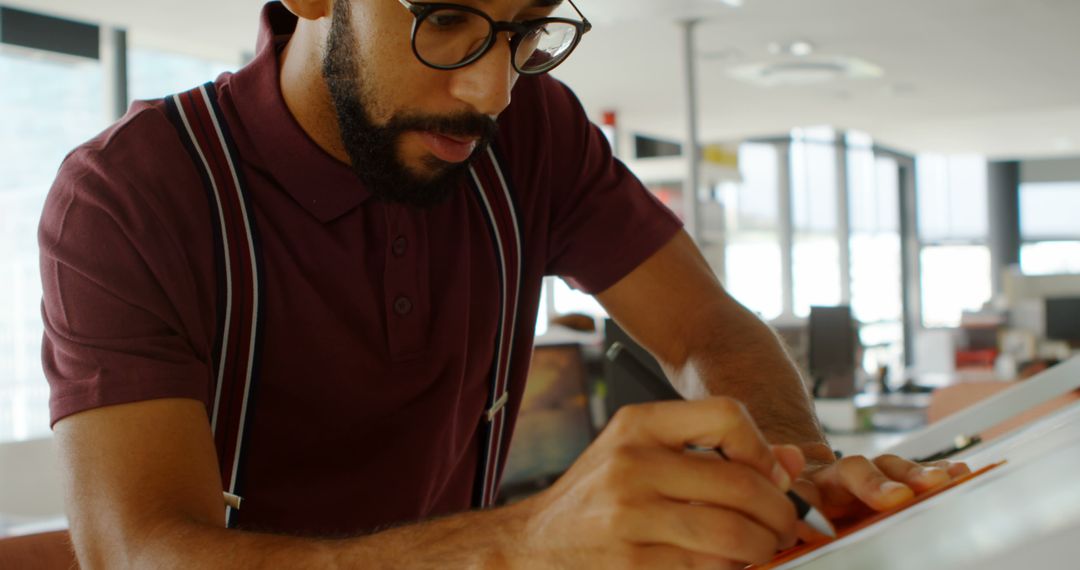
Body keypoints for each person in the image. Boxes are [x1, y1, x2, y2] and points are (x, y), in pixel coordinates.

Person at [39, 0, 968, 567]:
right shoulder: (130, 194)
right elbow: (139, 553)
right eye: (444, 19)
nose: (491, 88)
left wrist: (796, 476)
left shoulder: (535, 135)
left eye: (525, 30)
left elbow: (706, 331)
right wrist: (520, 547)